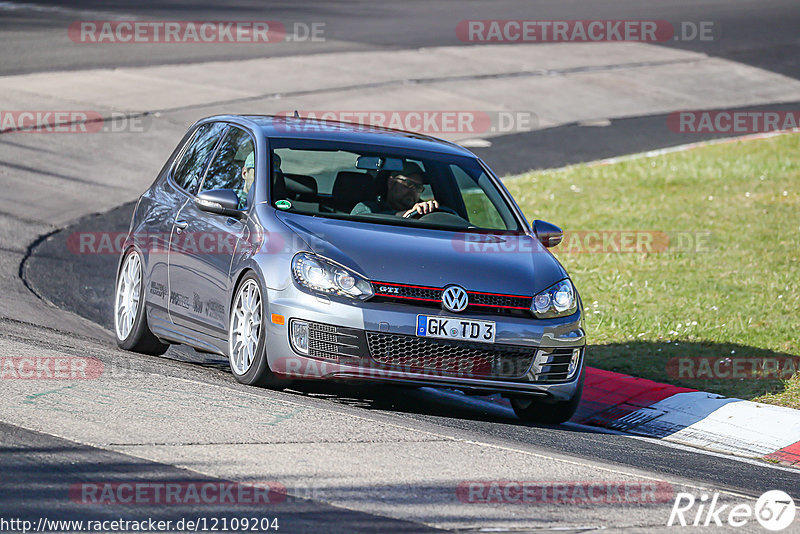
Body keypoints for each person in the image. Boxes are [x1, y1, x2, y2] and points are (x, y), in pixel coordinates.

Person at [351, 162, 439, 217]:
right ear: (391, 182)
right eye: (408, 183)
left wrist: (432, 211)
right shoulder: (366, 208)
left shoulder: (424, 211)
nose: (413, 190)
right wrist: (408, 214)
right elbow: (365, 222)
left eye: (418, 187)